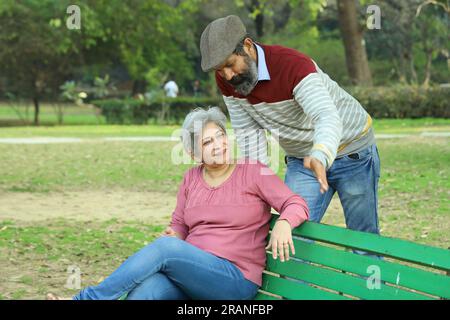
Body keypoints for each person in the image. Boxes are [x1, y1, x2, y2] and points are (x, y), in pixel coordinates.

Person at [46, 107, 309, 300]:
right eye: (208, 142)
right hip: (190, 274)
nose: (218, 145)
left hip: (234, 280)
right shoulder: (191, 179)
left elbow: (295, 202)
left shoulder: (253, 171)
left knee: (165, 250)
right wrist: (177, 235)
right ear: (194, 153)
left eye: (220, 135)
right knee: (145, 293)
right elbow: (180, 224)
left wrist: (285, 221)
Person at [199, 15, 381, 240]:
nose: (227, 75)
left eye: (229, 64)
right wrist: (256, 189)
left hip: (353, 150)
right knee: (292, 235)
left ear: (247, 46)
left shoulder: (293, 65)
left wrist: (321, 154)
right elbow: (249, 137)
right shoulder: (229, 82)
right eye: (219, 70)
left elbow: (326, 116)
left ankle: (369, 275)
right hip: (302, 160)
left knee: (363, 239)